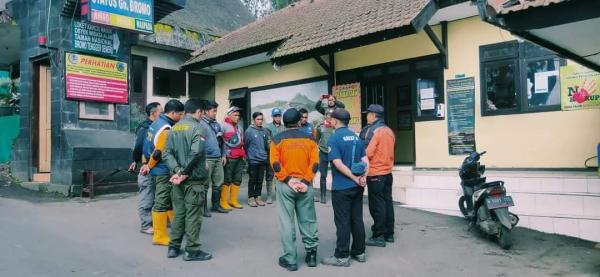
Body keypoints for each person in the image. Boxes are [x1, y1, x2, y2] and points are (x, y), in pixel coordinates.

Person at [270, 108, 320, 271]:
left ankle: (290, 259)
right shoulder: (310, 139)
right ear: (299, 121)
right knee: (308, 220)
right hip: (305, 185)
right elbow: (315, 163)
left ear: (284, 122)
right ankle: (312, 255)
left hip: (285, 186)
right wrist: (305, 181)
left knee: (286, 222)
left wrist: (289, 180)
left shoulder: (277, 139)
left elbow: (275, 164)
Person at [163, 99, 212, 261]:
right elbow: (196, 153)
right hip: (194, 180)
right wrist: (184, 172)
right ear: (199, 111)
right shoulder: (199, 128)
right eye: (203, 113)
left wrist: (177, 171)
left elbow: (166, 154)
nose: (203, 116)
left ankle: (173, 247)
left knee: (179, 214)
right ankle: (192, 250)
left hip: (177, 180)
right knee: (193, 216)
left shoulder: (174, 127)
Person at [322, 108, 369, 267]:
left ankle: (342, 256)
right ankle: (359, 252)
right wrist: (363, 177)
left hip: (342, 187)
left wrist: (355, 178)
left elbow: (338, 163)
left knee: (343, 222)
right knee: (357, 219)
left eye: (331, 119)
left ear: (335, 121)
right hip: (357, 187)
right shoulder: (356, 138)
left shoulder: (334, 138)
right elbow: (365, 160)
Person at [140, 99, 184, 246]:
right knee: (161, 201)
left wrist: (146, 164)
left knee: (169, 198)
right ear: (173, 113)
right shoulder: (166, 129)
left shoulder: (156, 123)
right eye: (180, 114)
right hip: (162, 171)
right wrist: (149, 166)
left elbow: (146, 145)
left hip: (156, 168)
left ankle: (176, 225)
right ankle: (159, 236)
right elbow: (159, 152)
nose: (182, 117)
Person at [360, 104, 396, 247]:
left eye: (368, 114)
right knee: (387, 202)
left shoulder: (374, 131)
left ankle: (379, 235)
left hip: (375, 173)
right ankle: (389, 234)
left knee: (377, 205)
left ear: (374, 115)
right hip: (388, 173)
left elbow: (368, 153)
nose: (366, 116)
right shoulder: (389, 130)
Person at [129, 102, 162, 235]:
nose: (163, 113)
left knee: (155, 195)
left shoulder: (157, 126)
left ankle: (155, 221)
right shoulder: (145, 127)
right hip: (146, 166)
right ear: (153, 113)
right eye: (161, 111)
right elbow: (138, 146)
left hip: (155, 166)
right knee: (147, 195)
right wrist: (136, 161)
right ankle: (146, 225)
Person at [199, 100, 229, 215]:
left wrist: (223, 155)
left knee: (219, 183)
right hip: (207, 159)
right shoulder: (201, 124)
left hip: (218, 158)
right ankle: (203, 208)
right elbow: (199, 144)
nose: (215, 113)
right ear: (206, 111)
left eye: (216, 111)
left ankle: (216, 206)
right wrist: (203, 159)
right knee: (205, 185)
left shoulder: (217, 124)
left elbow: (222, 141)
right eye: (213, 111)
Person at [221, 106, 246, 209]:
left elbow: (242, 142)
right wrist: (223, 155)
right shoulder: (223, 126)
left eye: (238, 115)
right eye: (235, 115)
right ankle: (223, 201)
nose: (237, 117)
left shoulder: (239, 127)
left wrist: (244, 154)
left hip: (240, 156)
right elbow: (220, 142)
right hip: (229, 156)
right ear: (229, 115)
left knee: (237, 179)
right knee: (227, 179)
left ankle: (233, 200)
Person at [244, 112, 270, 207]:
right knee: (253, 179)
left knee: (260, 180)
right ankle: (251, 198)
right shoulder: (249, 131)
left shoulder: (264, 131)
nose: (260, 121)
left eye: (261, 119)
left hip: (263, 159)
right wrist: (249, 156)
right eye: (258, 119)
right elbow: (246, 145)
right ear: (253, 120)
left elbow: (266, 144)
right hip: (253, 159)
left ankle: (258, 197)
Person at [312, 108, 335, 204]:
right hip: (323, 152)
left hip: (334, 153)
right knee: (323, 175)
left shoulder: (336, 127)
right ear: (325, 115)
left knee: (336, 175)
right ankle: (323, 196)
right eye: (328, 115)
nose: (329, 117)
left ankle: (336, 195)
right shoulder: (320, 127)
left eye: (331, 115)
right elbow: (316, 139)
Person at [264, 108, 285, 204]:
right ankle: (269, 196)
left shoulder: (284, 127)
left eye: (279, 115)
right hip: (272, 154)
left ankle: (279, 195)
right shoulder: (268, 127)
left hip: (282, 155)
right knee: (270, 175)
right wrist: (274, 150)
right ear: (272, 117)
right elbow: (268, 141)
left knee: (280, 174)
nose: (277, 117)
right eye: (275, 116)